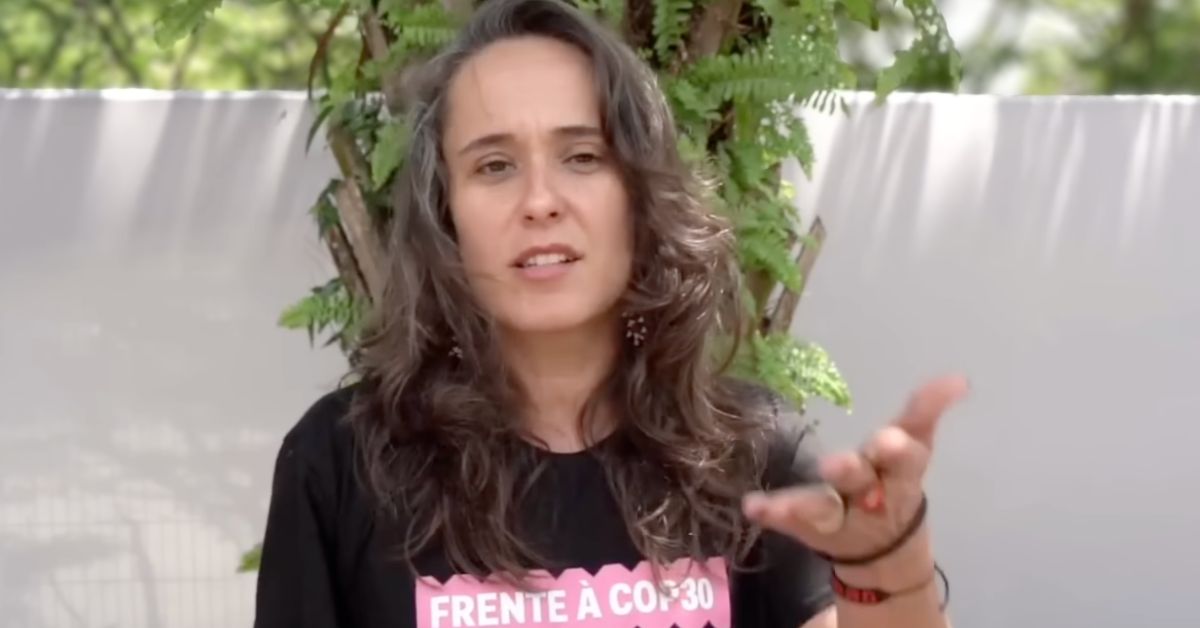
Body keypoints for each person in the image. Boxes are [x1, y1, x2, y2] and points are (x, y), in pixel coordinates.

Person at [254, 1, 969, 626]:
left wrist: (891, 570)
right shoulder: (343, 466)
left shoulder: (749, 457)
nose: (540, 200)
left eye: (584, 156)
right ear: (446, 215)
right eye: (494, 166)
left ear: (639, 195)